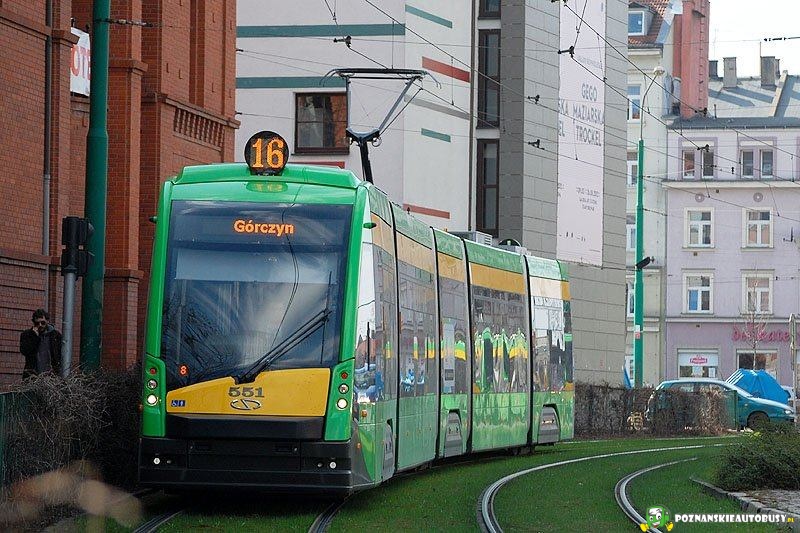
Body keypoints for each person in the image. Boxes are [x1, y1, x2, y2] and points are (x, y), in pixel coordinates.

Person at [19, 309, 62, 379]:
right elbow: (25, 351)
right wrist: (34, 336)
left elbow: (60, 355)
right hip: (33, 375)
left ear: (47, 321)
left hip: (51, 376)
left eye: (43, 323)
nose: (40, 325)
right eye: (37, 323)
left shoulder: (56, 336)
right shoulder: (27, 335)